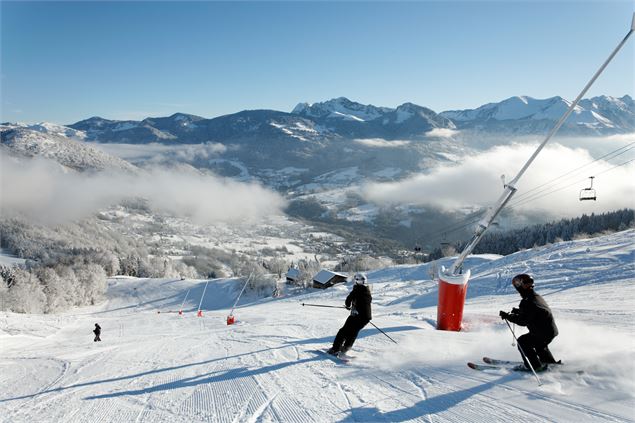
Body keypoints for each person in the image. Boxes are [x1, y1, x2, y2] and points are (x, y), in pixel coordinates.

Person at [499, 274, 558, 372]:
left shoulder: (527, 301)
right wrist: (518, 311)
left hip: (542, 332)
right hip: (550, 331)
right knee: (539, 345)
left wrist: (508, 317)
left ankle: (534, 367)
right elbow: (536, 312)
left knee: (523, 342)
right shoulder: (535, 296)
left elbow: (523, 321)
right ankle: (548, 362)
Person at [327, 272, 372, 356]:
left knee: (343, 331)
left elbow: (348, 300)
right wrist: (355, 307)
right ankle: (346, 347)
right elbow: (364, 302)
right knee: (353, 332)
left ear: (356, 281)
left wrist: (349, 306)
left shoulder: (357, 289)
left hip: (357, 316)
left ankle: (335, 349)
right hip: (365, 317)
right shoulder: (367, 289)